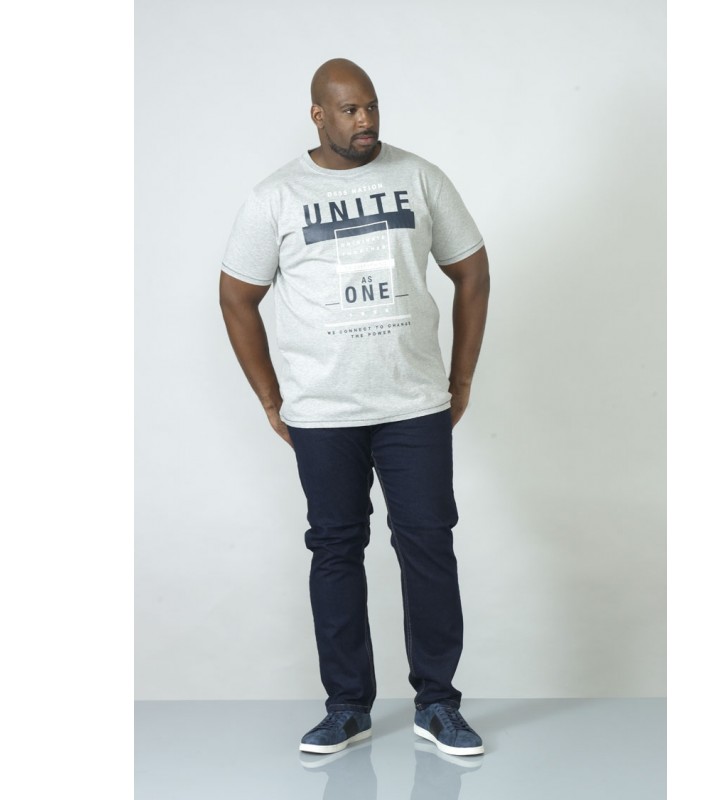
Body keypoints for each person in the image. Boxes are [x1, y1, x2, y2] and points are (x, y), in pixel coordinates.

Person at [219, 58, 490, 757]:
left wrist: (460, 380)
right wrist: (272, 397)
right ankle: (347, 707)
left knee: (428, 545)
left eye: (370, 106)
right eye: (348, 110)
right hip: (323, 411)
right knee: (336, 549)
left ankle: (438, 705)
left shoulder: (420, 178)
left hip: (413, 405)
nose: (364, 120)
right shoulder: (276, 197)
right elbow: (237, 295)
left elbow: (472, 272)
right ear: (318, 114)